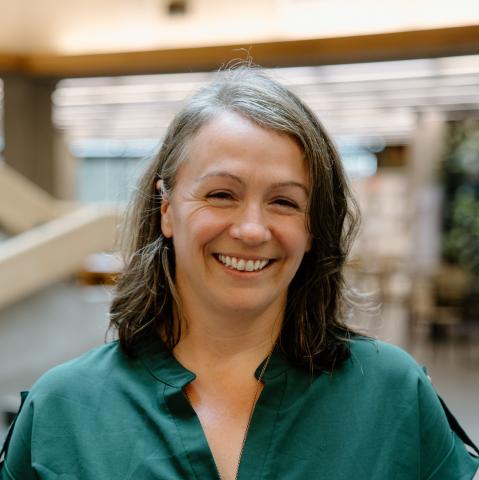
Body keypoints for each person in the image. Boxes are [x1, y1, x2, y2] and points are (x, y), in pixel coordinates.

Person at [1, 65, 478, 480]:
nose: (252, 230)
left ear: (313, 229)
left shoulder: (392, 394)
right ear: (167, 210)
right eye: (221, 194)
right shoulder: (63, 411)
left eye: (284, 202)